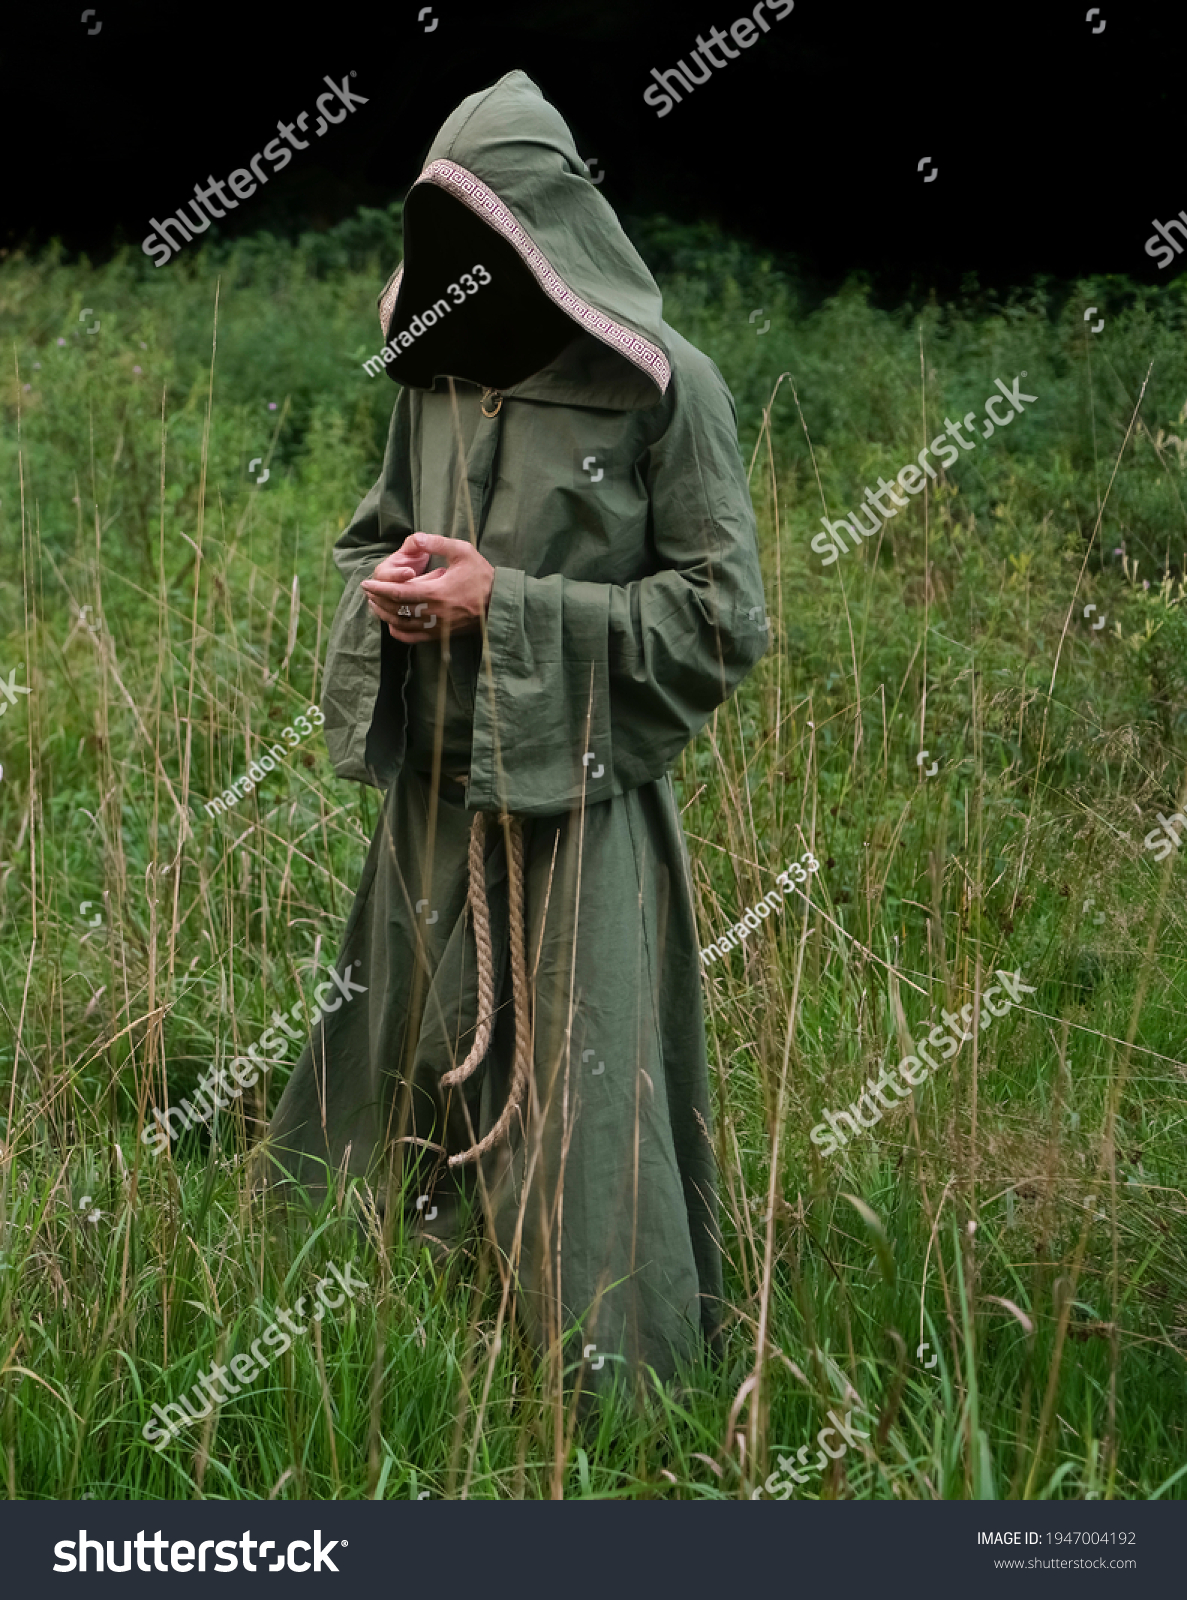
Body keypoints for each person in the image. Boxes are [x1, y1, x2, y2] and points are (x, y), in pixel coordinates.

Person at [263, 68, 768, 1393]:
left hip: (580, 802)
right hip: (436, 791)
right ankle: (402, 1314)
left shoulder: (670, 391)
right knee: (401, 1056)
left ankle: (620, 1388)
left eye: (494, 237)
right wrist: (400, 596)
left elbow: (724, 620)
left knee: (589, 1097)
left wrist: (513, 604)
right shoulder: (430, 366)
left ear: (546, 224)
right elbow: (378, 532)